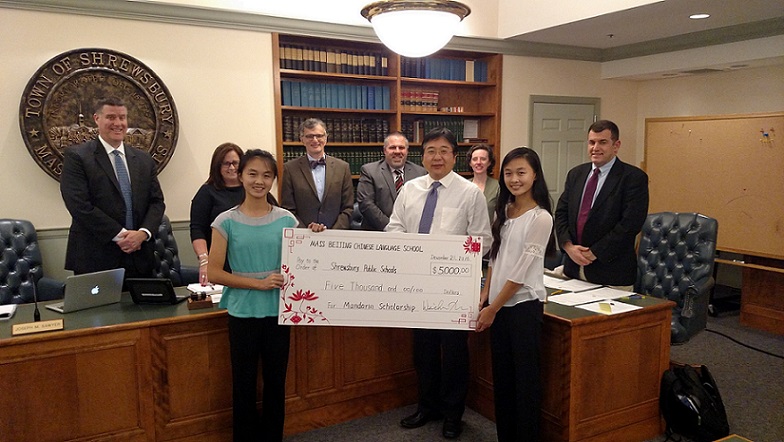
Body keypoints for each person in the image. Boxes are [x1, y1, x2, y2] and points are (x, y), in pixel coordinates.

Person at [207, 149, 325, 442]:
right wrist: (258, 284)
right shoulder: (225, 221)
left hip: (278, 312)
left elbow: (304, 261)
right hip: (242, 313)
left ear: (273, 180)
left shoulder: (286, 220)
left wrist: (315, 235)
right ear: (241, 176)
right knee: (243, 383)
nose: (259, 181)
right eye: (252, 174)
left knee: (276, 383)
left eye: (266, 175)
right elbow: (214, 273)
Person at [386, 127, 491, 439]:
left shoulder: (469, 193)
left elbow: (483, 240)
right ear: (422, 156)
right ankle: (427, 406)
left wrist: (450, 255)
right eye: (431, 151)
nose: (437, 157)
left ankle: (453, 414)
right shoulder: (410, 189)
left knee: (454, 351)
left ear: (455, 156)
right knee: (424, 349)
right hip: (416, 284)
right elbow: (394, 227)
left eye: (444, 151)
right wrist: (411, 250)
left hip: (453, 287)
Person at [475, 148, 555, 442]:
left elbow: (521, 271)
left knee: (525, 383)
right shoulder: (504, 210)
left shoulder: (541, 217)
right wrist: (485, 293)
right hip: (498, 306)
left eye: (521, 172)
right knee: (504, 380)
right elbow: (495, 257)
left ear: (535, 175)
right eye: (508, 173)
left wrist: (493, 308)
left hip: (523, 307)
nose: (514, 179)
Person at [60, 96, 165, 279]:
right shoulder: (77, 157)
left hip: (139, 256)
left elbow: (157, 202)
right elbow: (79, 205)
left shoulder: (143, 160)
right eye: (111, 117)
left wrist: (143, 233)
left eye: (122, 117)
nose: (118, 123)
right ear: (97, 119)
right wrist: (121, 235)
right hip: (96, 257)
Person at [554, 119, 649, 289]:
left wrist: (594, 253)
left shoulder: (633, 178)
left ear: (616, 145)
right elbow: (561, 213)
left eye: (602, 142)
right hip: (573, 269)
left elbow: (630, 225)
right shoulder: (576, 174)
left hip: (611, 274)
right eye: (592, 142)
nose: (595, 148)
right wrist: (568, 247)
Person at [280, 118, 353, 229]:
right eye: (309, 136)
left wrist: (333, 232)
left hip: (336, 234)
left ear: (326, 138)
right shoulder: (290, 169)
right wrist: (307, 232)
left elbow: (348, 208)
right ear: (302, 139)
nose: (315, 140)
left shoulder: (342, 168)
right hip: (304, 234)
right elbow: (288, 209)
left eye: (319, 136)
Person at [190, 142, 244, 285]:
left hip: (248, 260)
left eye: (235, 163)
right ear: (217, 166)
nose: (231, 168)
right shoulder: (206, 192)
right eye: (226, 164)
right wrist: (204, 261)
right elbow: (197, 230)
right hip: (219, 262)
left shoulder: (252, 190)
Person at [356, 131, 426, 231]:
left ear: (407, 151)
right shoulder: (369, 171)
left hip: (411, 232)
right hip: (378, 232)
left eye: (401, 148)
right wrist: (391, 228)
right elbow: (366, 204)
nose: (397, 151)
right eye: (392, 147)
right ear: (385, 150)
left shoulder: (420, 172)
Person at [467, 144, 499, 223]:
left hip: (489, 230)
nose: (478, 162)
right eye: (475, 159)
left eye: (483, 159)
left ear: (489, 162)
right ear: (470, 163)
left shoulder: (497, 186)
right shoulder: (463, 186)